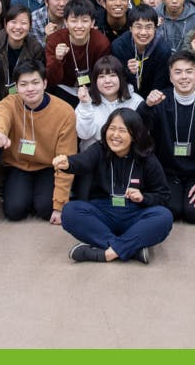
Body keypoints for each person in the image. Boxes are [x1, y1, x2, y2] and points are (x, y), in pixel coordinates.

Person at [55, 108, 173, 264]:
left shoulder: (147, 158)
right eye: (112, 128)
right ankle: (131, 248)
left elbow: (163, 195)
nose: (115, 135)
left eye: (122, 130)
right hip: (103, 212)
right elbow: (82, 162)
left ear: (134, 135)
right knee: (70, 211)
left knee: (164, 217)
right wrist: (68, 163)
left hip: (134, 214)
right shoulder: (99, 149)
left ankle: (104, 253)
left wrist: (143, 197)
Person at [0, 60, 78, 224]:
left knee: (46, 209)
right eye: (23, 84)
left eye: (35, 83)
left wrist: (60, 204)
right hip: (19, 165)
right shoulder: (10, 102)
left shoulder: (64, 112)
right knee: (14, 211)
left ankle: (41, 195)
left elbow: (66, 159)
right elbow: (0, 116)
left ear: (45, 83)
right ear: (17, 87)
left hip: (49, 166)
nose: (30, 89)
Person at [138, 50, 195, 224]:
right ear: (170, 77)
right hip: (167, 172)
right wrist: (146, 106)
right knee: (172, 210)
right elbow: (139, 128)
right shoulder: (160, 101)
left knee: (194, 213)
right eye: (177, 72)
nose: (184, 77)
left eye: (189, 71)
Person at [45, 0, 112, 106]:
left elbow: (102, 75)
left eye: (84, 21)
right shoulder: (55, 40)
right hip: (63, 88)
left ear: (92, 22)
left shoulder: (101, 42)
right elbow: (51, 80)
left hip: (92, 89)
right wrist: (58, 59)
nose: (79, 26)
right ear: (66, 22)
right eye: (74, 21)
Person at [0, 5, 44, 103]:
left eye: (23, 23)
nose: (18, 27)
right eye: (13, 22)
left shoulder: (35, 47)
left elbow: (38, 77)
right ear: (6, 24)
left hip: (23, 99)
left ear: (30, 26)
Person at [75, 55, 143, 152]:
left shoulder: (136, 101)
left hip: (126, 156)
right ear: (95, 81)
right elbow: (84, 135)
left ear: (121, 78)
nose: (107, 81)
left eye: (112, 75)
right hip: (94, 157)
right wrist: (85, 105)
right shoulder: (86, 101)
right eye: (101, 76)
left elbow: (140, 136)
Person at [111, 4, 171, 99]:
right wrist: (129, 72)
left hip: (153, 98)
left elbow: (161, 84)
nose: (143, 33)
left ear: (155, 28)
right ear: (130, 28)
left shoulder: (163, 50)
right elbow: (116, 80)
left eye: (148, 27)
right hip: (125, 97)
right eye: (138, 27)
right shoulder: (119, 46)